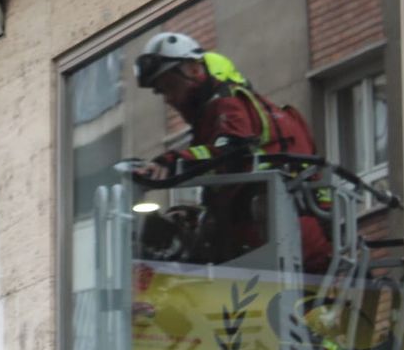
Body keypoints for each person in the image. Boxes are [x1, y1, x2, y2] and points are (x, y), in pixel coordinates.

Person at [133, 31, 331, 272]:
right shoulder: (265, 111)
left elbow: (230, 154)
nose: (169, 99)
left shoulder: (227, 105)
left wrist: (171, 163)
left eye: (170, 86)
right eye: (163, 92)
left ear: (194, 69)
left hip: (272, 244)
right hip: (302, 246)